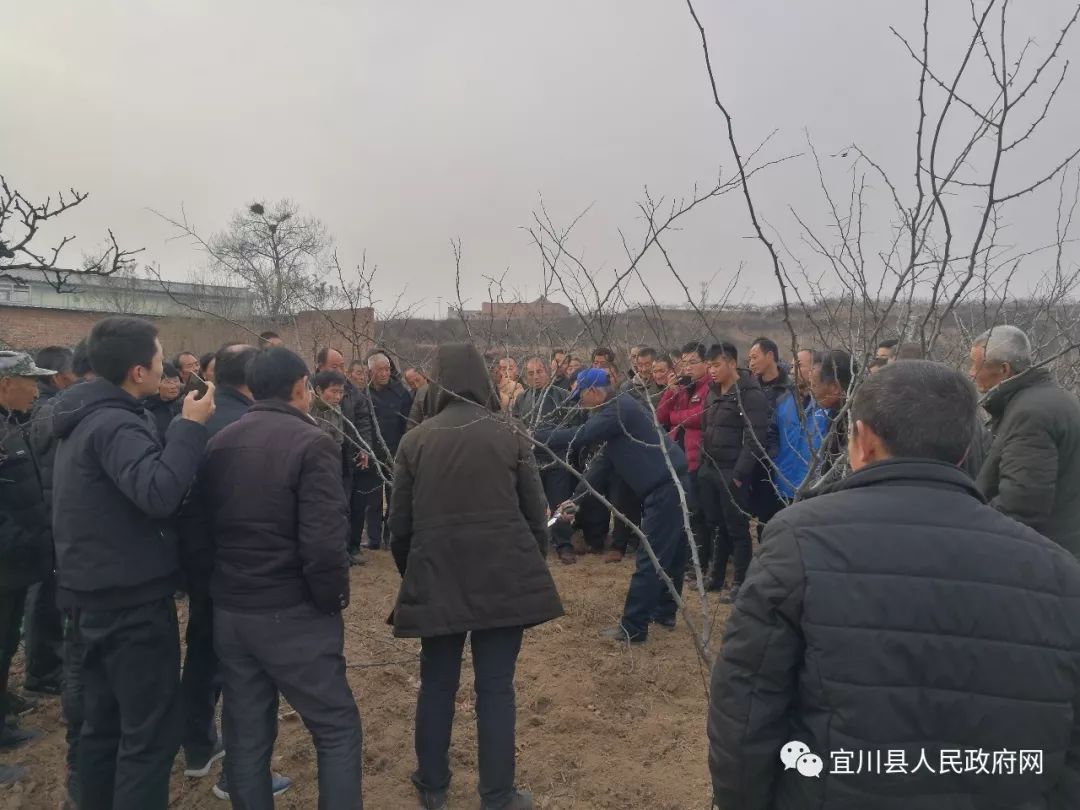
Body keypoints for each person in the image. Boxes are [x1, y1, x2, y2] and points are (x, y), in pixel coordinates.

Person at [708, 360, 1080, 810]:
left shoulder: (799, 541)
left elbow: (747, 709)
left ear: (862, 440)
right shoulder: (1059, 573)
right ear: (965, 451)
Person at [184, 347, 360, 809]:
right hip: (291, 610)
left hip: (233, 610)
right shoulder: (313, 442)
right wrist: (330, 600)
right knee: (336, 726)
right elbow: (324, 542)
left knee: (246, 732)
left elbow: (198, 533)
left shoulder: (218, 440)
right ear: (301, 387)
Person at [388, 343, 562, 810]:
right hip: (503, 576)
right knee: (496, 687)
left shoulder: (415, 440)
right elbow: (534, 512)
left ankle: (432, 784)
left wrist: (414, 573)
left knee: (438, 683)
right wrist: (531, 565)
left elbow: (398, 526)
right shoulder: (509, 432)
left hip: (437, 576)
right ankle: (497, 795)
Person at [51, 316, 216, 810]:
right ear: (137, 371)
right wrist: (189, 428)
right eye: (160, 357)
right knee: (149, 736)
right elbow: (159, 492)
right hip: (130, 606)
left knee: (104, 727)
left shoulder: (82, 417)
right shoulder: (116, 423)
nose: (166, 365)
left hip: (93, 596)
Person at [541, 369, 689, 644]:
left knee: (653, 557)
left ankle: (633, 627)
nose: (580, 403)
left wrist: (537, 436)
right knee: (673, 553)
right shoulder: (617, 417)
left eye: (581, 397)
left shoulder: (619, 408)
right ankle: (664, 612)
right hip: (671, 485)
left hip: (666, 489)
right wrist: (575, 499)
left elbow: (581, 434)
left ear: (594, 391)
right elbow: (602, 464)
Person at [178, 343, 261, 798]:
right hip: (236, 565)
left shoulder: (197, 416)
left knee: (203, 650)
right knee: (241, 667)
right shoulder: (247, 425)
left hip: (199, 559)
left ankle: (197, 746)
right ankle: (239, 776)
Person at [970, 325, 1080, 556]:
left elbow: (1022, 504)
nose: (971, 373)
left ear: (1004, 369)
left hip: (1047, 559)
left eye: (976, 365)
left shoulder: (1030, 414)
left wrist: (970, 532)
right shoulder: (1055, 399)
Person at [0, 351, 57, 781]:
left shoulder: (12, 424)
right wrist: (23, 543)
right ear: (5, 384)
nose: (36, 388)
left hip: (17, 565)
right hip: (8, 560)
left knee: (6, 644)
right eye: (28, 380)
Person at [23, 345, 77, 699]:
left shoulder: (44, 407)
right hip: (45, 516)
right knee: (44, 596)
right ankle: (43, 670)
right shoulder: (47, 411)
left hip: (46, 514)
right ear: (60, 378)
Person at [698, 343, 770, 601]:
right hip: (710, 468)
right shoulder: (712, 392)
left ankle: (740, 581)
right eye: (709, 365)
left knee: (737, 528)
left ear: (731, 363)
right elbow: (706, 427)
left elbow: (754, 439)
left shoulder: (750, 394)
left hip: (732, 472)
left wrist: (739, 474)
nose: (712, 371)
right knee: (716, 525)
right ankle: (715, 577)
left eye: (716, 365)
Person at [513, 357, 579, 565]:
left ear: (547, 373)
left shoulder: (563, 397)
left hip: (556, 459)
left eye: (539, 371)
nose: (536, 376)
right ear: (525, 377)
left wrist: (548, 437)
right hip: (530, 462)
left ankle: (563, 543)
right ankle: (533, 542)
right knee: (531, 503)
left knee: (560, 501)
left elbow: (573, 427)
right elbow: (515, 425)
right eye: (530, 374)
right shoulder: (521, 400)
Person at [656, 342, 711, 575]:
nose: (687, 368)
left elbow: (699, 416)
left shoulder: (709, 387)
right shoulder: (681, 386)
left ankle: (700, 561)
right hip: (677, 455)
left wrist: (676, 417)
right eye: (684, 363)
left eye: (693, 363)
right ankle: (686, 557)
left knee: (698, 512)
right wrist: (669, 391)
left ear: (706, 364)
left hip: (698, 457)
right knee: (683, 509)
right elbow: (660, 417)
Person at [363, 352, 413, 549]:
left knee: (394, 499)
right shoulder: (364, 394)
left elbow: (408, 426)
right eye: (379, 370)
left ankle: (391, 538)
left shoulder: (401, 393)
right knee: (372, 499)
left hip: (395, 453)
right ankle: (373, 539)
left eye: (387, 369)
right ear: (370, 372)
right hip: (372, 453)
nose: (384, 373)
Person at [746, 337, 791, 523]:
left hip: (781, 463)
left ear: (770, 355)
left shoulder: (790, 388)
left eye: (755, 357)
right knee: (762, 519)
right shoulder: (749, 388)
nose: (751, 363)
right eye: (749, 359)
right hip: (755, 461)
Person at [144, 362, 182, 440]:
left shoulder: (183, 403)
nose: (173, 386)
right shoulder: (147, 409)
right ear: (156, 383)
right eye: (168, 382)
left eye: (176, 381)